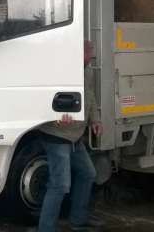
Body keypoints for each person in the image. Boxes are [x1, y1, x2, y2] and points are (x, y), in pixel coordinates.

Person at [37, 40, 103, 232]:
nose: (91, 56)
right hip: (56, 135)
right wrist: (55, 118)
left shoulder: (87, 71)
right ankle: (46, 229)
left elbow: (90, 96)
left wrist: (95, 120)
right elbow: (41, 100)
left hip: (74, 136)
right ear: (77, 52)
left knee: (88, 173)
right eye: (88, 52)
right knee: (60, 185)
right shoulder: (58, 70)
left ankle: (78, 220)